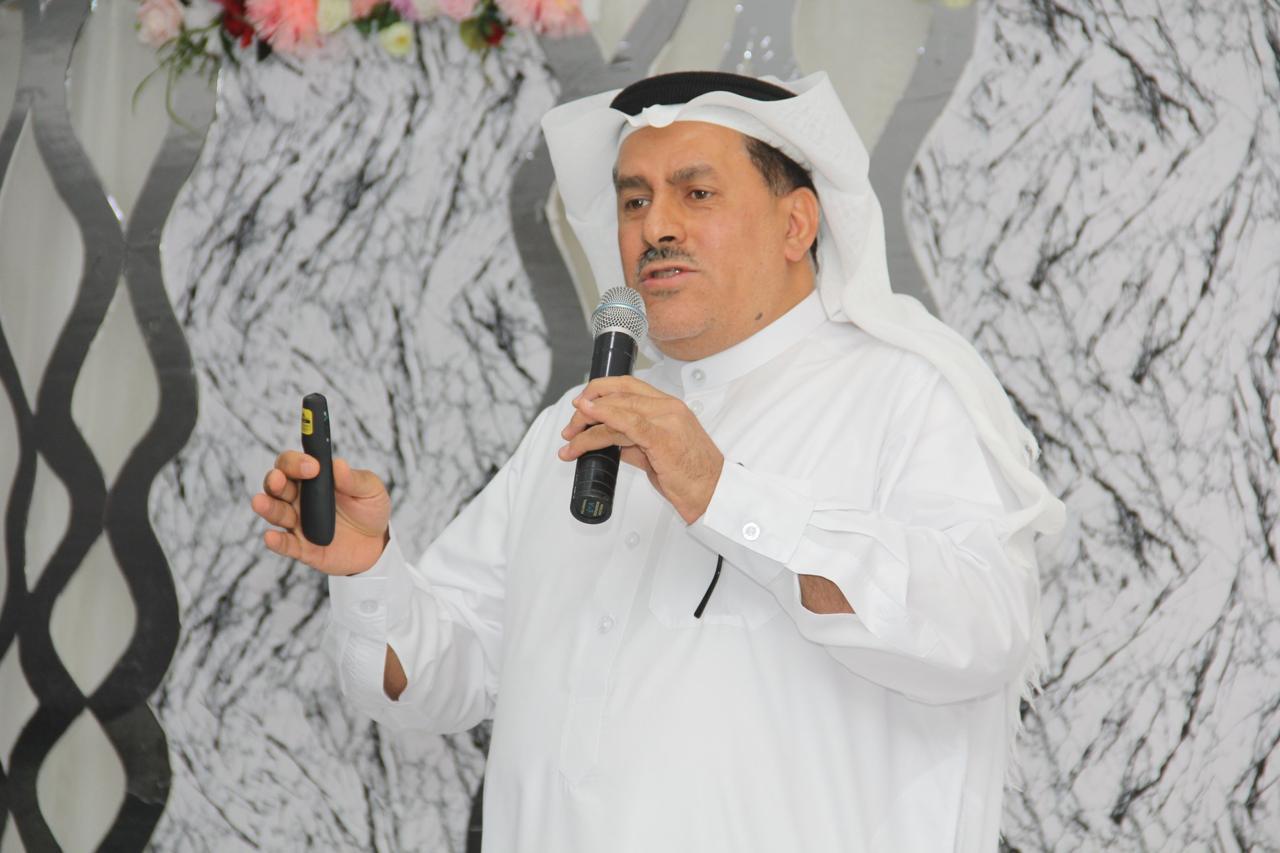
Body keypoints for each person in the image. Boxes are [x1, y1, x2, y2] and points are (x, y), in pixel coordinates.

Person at [251, 71, 1064, 852]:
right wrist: (369, 572)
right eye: (634, 200)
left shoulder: (903, 392)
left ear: (797, 224)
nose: (655, 227)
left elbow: (982, 629)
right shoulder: (576, 426)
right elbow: (439, 678)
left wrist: (722, 493)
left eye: (695, 192)